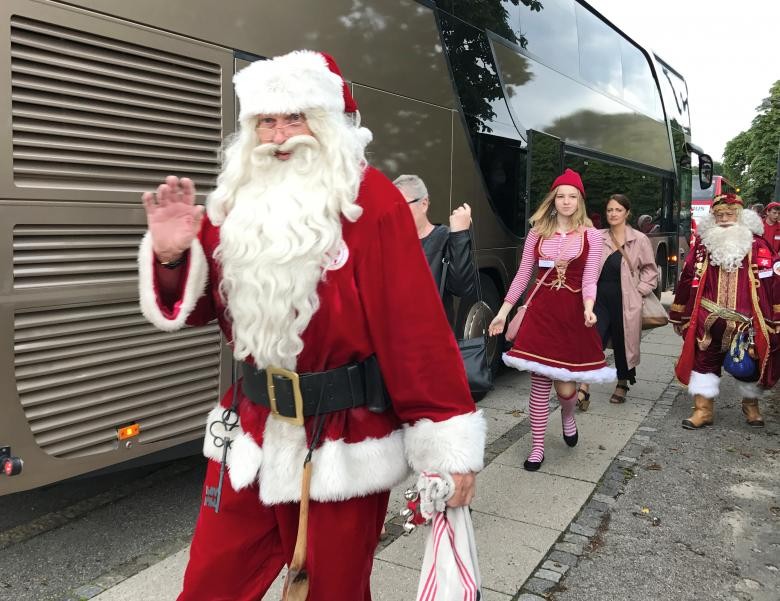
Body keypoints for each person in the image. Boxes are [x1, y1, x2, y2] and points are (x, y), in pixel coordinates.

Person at [137, 50, 485, 601]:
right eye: (266, 121)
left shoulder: (373, 203)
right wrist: (173, 258)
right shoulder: (235, 205)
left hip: (342, 442)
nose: (279, 136)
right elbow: (204, 310)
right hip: (248, 431)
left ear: (325, 122)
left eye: (294, 117)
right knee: (211, 583)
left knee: (333, 592)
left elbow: (414, 332)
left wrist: (447, 449)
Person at [487, 169, 615, 471]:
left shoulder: (592, 236)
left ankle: (568, 416)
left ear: (580, 200)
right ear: (553, 199)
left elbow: (589, 278)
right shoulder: (537, 232)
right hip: (541, 312)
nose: (566, 201)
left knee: (566, 390)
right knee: (539, 384)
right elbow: (522, 276)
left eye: (572, 196)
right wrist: (503, 313)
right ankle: (537, 448)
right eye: (561, 196)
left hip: (572, 315)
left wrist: (588, 307)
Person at [670, 193, 779, 430]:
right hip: (707, 320)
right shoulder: (703, 246)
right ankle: (703, 410)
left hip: (746, 323)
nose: (724, 219)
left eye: (730, 214)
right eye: (719, 215)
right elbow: (688, 278)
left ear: (740, 216)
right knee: (704, 361)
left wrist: (775, 318)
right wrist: (679, 313)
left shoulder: (759, 245)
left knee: (751, 364)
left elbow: (772, 285)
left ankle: (751, 405)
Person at [577, 195, 658, 409]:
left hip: (626, 299)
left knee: (624, 344)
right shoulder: (597, 236)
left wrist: (640, 291)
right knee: (593, 340)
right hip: (599, 298)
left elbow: (650, 270)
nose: (613, 214)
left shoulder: (639, 239)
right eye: (610, 210)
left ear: (627, 213)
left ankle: (622, 382)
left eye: (618, 210)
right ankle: (584, 387)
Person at [393, 174, 476, 317]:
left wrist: (460, 235)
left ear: (423, 204)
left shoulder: (444, 238)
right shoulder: (390, 242)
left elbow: (461, 288)